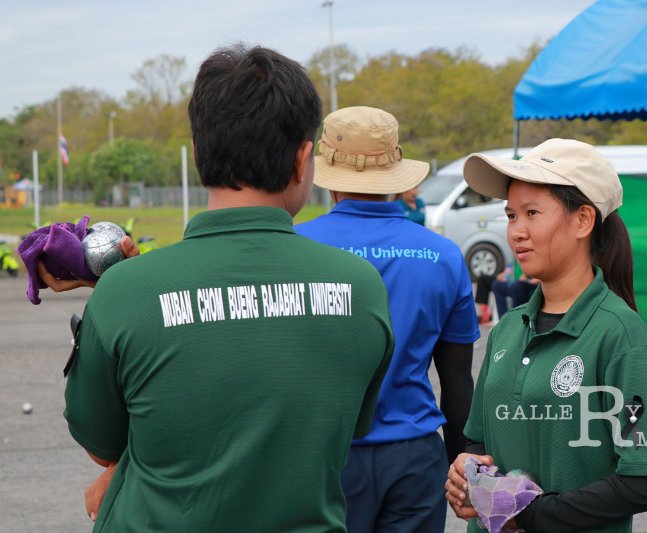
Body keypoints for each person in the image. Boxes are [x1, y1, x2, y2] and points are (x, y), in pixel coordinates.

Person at [47, 45, 395, 532]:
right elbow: (346, 425)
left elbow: (100, 443)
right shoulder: (361, 287)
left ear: (199, 151)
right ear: (302, 159)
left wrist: (120, 291)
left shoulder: (125, 291)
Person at [445, 139, 647, 532]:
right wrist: (467, 471)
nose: (516, 231)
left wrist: (532, 514)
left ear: (583, 221)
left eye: (532, 213)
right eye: (510, 215)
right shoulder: (508, 328)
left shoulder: (622, 337)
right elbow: (480, 441)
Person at [296, 106, 480, 533]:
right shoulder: (443, 255)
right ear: (395, 172)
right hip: (415, 458)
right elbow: (456, 382)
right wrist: (462, 469)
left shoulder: (296, 247)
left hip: (324, 456)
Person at [474, 262, 539, 323]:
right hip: (510, 279)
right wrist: (503, 275)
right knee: (486, 280)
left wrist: (528, 279)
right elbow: (509, 268)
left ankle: (513, 320)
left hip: (522, 283)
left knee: (516, 286)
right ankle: (485, 313)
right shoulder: (515, 258)